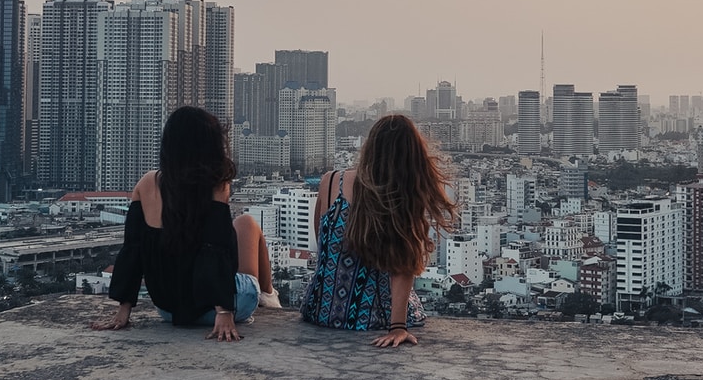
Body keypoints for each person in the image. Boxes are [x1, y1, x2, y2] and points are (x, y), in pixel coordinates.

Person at [91, 106, 281, 341]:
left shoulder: (147, 183)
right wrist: (224, 310)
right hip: (221, 308)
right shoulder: (216, 185)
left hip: (169, 310)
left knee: (241, 225)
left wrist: (123, 311)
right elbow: (215, 250)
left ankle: (268, 296)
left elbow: (133, 250)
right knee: (247, 223)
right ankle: (270, 297)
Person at [300, 113, 460, 348]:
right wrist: (398, 327)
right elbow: (403, 264)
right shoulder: (401, 197)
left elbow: (322, 245)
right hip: (374, 317)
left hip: (321, 310)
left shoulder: (331, 181)